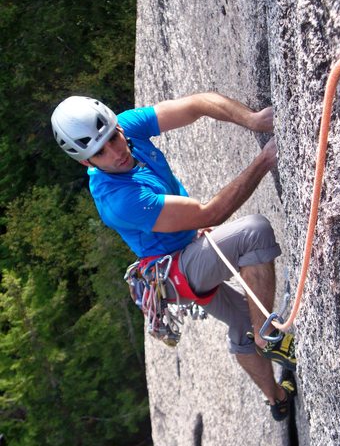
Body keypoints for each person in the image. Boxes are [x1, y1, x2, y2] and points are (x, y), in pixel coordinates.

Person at [51, 92, 296, 421]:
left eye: (113, 138)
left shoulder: (126, 128)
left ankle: (276, 399)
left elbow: (198, 105)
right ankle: (268, 337)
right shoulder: (120, 200)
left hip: (182, 255)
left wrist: (253, 120)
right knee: (253, 232)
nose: (116, 152)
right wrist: (265, 160)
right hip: (176, 270)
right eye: (100, 152)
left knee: (241, 321)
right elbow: (210, 213)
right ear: (86, 162)